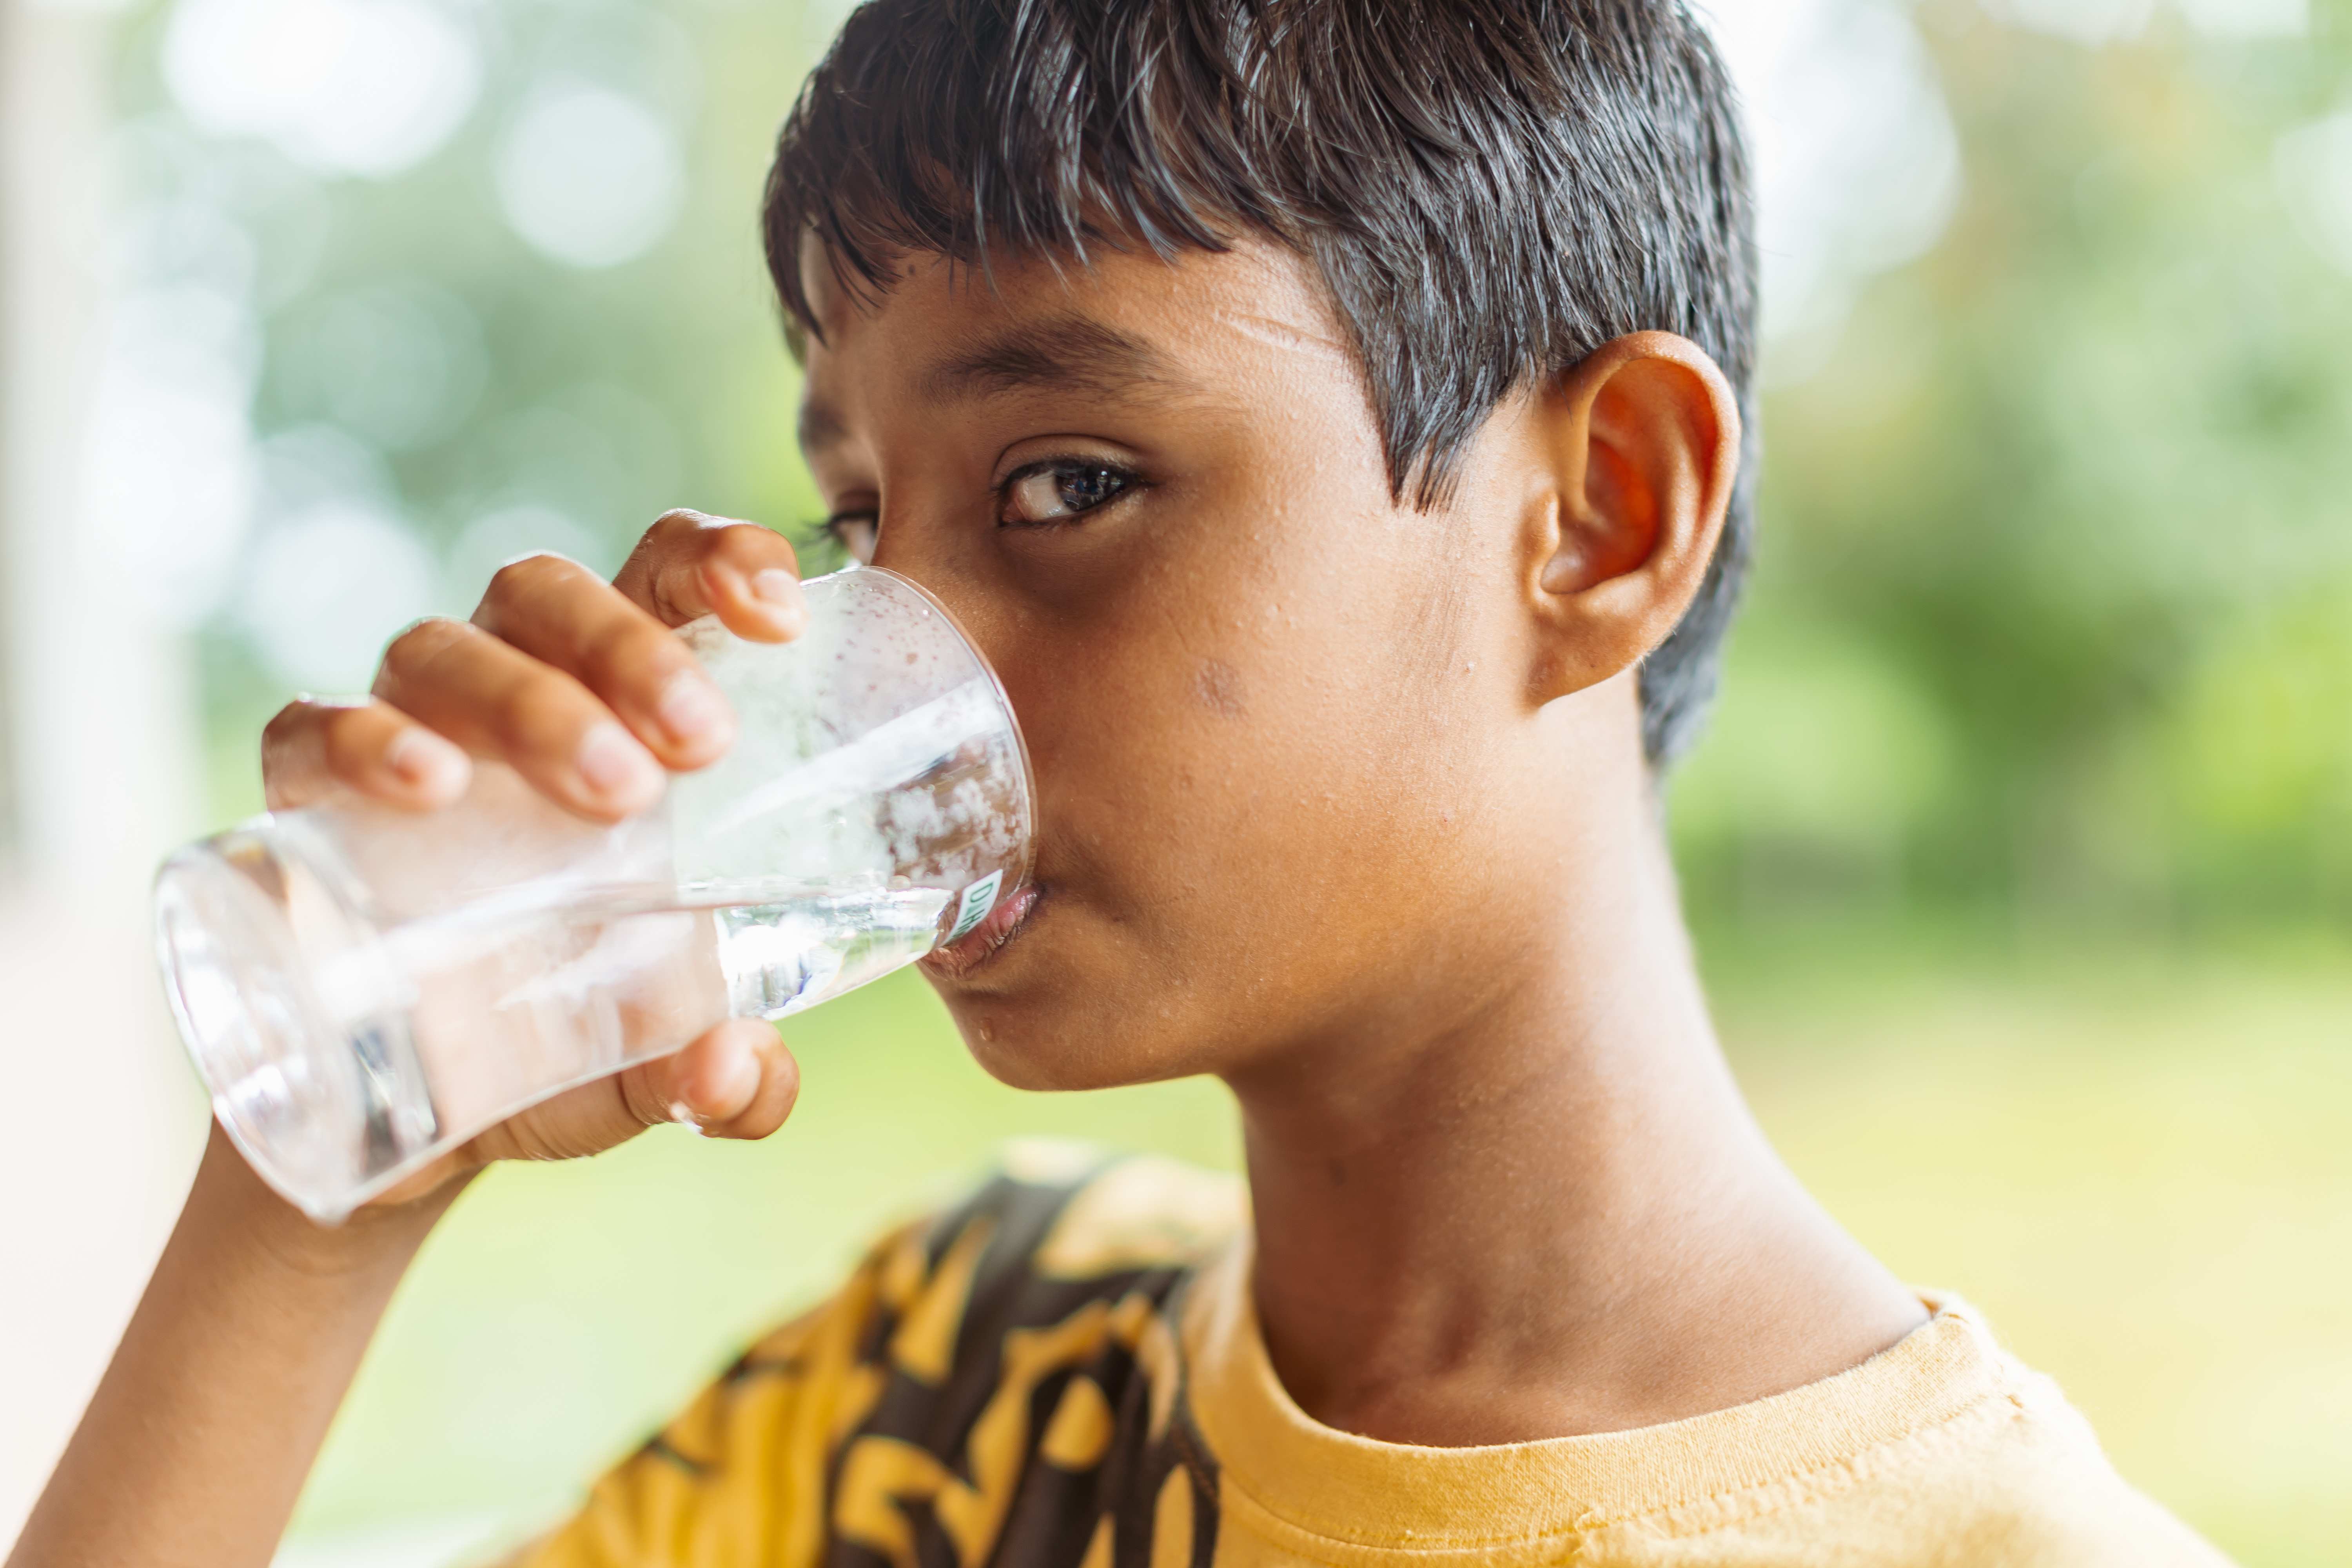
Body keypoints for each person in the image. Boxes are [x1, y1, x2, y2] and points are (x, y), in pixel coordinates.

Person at [12, 2, 2233, 1564]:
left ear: (1603, 518)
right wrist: (333, 1188)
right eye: (865, 522)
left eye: (1068, 483)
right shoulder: (956, 1385)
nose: (906, 653)